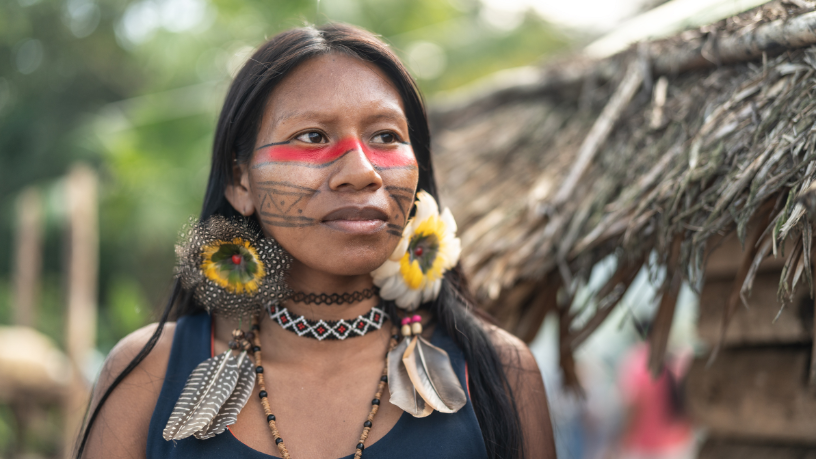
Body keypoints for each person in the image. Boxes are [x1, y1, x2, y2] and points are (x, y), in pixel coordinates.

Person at [76, 23, 555, 459]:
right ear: (240, 182)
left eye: (386, 136)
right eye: (311, 136)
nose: (363, 172)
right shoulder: (147, 375)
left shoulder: (500, 373)